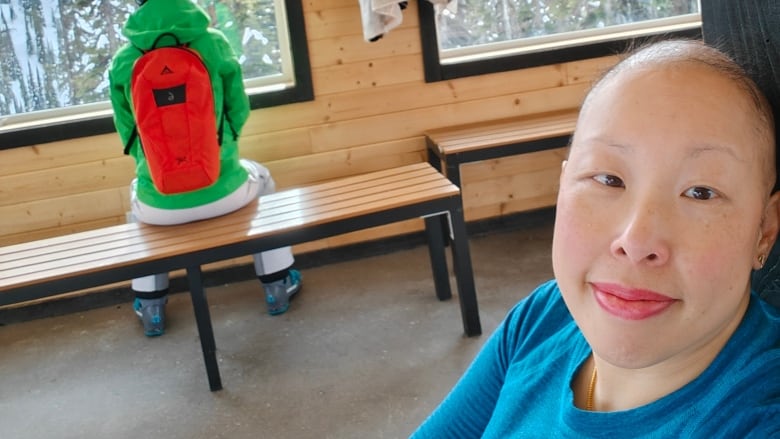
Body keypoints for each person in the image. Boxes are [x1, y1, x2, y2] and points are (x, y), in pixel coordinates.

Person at [411, 39, 780, 437]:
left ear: (764, 231)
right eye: (608, 179)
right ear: (564, 187)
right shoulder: (544, 317)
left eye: (701, 192)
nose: (636, 241)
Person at [108, 0, 301, 337]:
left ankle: (150, 304)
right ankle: (277, 282)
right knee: (263, 176)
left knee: (137, 201)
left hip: (160, 207)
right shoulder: (213, 42)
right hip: (227, 192)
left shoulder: (125, 60)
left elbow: (127, 131)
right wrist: (224, 146)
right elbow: (238, 108)